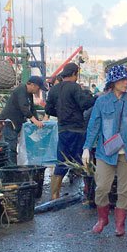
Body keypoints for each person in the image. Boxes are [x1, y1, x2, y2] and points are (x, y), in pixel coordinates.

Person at [82, 64, 127, 236]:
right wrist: (87, 148)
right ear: (113, 82)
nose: (126, 82)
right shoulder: (102, 101)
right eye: (122, 79)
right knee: (102, 186)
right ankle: (103, 218)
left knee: (125, 190)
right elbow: (94, 125)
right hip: (106, 152)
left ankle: (120, 224)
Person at [45, 62, 97, 199]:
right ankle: (88, 192)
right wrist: (95, 98)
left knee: (61, 161)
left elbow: (48, 110)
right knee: (84, 161)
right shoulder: (75, 87)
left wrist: (62, 114)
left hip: (62, 130)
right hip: (77, 130)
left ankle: (54, 195)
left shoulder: (54, 90)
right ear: (75, 74)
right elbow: (85, 104)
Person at [0, 75, 45, 167]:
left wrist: (36, 122)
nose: (38, 91)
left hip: (17, 124)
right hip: (9, 123)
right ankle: (11, 170)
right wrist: (35, 121)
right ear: (33, 85)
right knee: (10, 148)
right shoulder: (21, 90)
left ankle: (13, 168)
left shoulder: (29, 95)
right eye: (38, 88)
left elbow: (32, 109)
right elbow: (24, 107)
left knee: (13, 147)